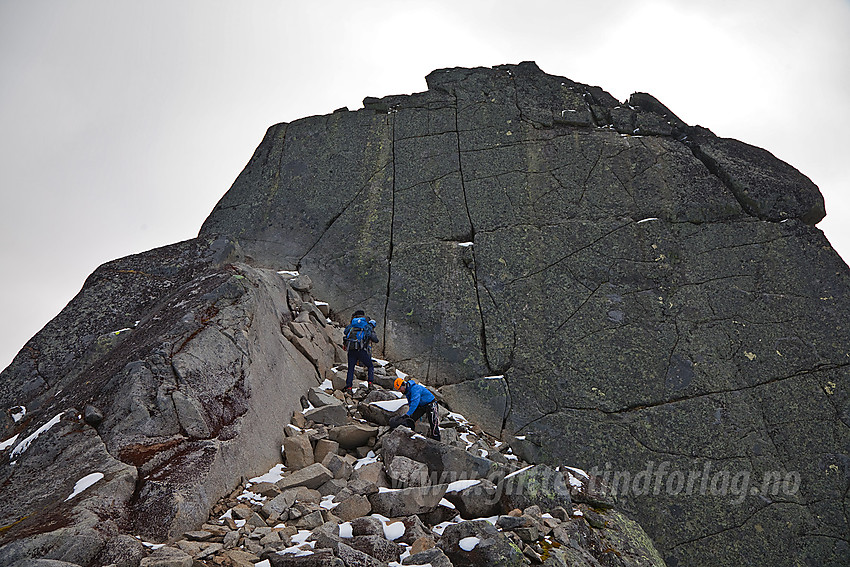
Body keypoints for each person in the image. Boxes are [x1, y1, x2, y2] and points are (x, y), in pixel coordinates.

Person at [389, 377, 441, 441]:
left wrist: (408, 414)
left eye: (400, 389)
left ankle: (437, 440)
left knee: (433, 423)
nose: (400, 391)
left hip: (431, 404)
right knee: (411, 419)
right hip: (422, 406)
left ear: (403, 385)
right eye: (398, 390)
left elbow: (415, 402)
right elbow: (411, 403)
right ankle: (411, 434)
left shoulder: (415, 388)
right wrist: (409, 414)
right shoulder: (407, 391)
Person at [343, 310, 379, 391]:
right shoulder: (366, 325)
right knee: (370, 366)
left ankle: (349, 387)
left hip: (351, 349)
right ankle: (370, 384)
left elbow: (345, 332)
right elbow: (375, 339)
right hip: (361, 350)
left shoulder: (352, 324)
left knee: (351, 369)